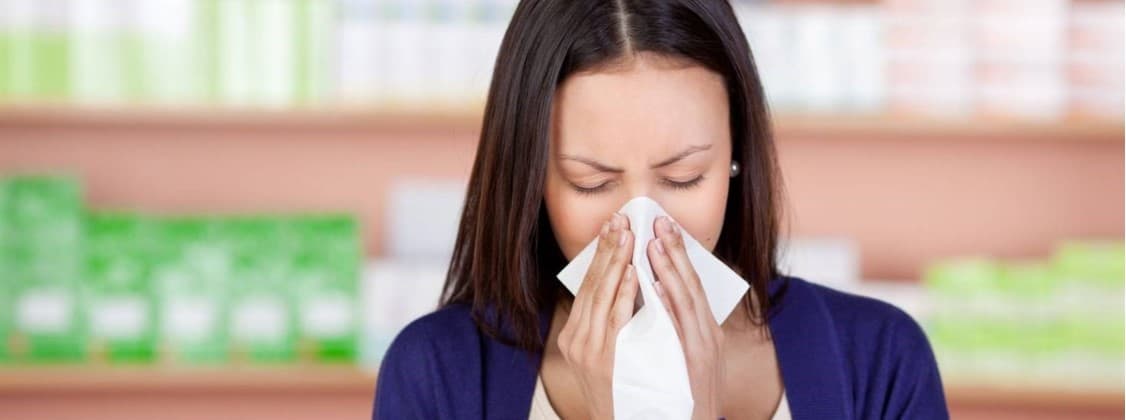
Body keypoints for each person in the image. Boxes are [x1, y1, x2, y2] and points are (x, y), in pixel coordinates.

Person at [373, 0, 949, 418]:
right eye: (591, 182)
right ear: (533, 179)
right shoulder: (437, 374)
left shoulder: (879, 361)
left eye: (683, 177)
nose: (643, 226)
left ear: (736, 155)